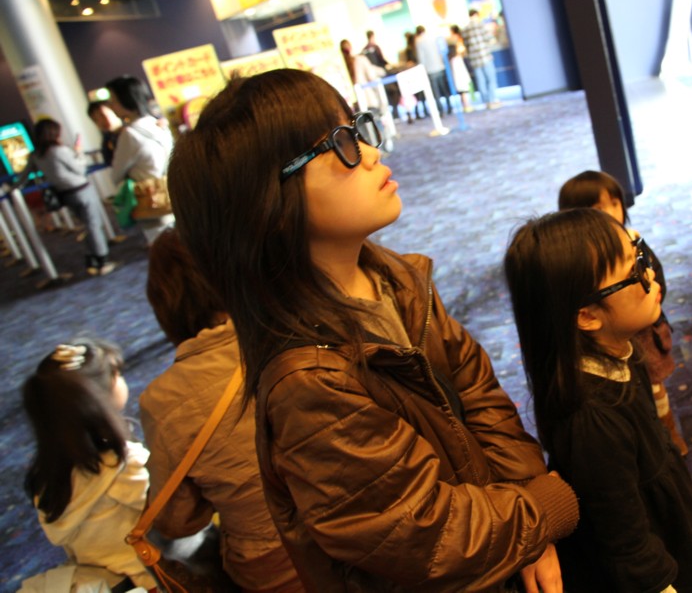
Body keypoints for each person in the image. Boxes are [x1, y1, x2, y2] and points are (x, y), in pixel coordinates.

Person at [165, 68, 579, 591]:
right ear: (268, 203)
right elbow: (424, 532)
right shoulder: (308, 383)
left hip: (498, 544)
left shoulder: (397, 277)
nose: (369, 151)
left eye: (358, 127)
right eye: (339, 143)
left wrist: (526, 511)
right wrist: (545, 508)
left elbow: (478, 391)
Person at [504, 208, 692, 593]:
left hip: (661, 518)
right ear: (587, 317)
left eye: (641, 255)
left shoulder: (623, 350)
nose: (650, 273)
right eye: (634, 272)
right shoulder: (592, 420)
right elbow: (626, 545)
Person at [140, 229, 302, 592]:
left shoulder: (165, 400)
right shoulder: (313, 327)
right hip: (372, 534)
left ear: (166, 304)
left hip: (278, 570)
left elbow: (176, 522)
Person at [558, 170, 688, 455]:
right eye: (597, 208)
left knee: (655, 388)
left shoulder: (633, 240)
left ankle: (669, 433)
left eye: (615, 203)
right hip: (616, 339)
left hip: (645, 335)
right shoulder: (583, 264)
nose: (610, 213)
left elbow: (656, 275)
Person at [22, 338, 157, 591]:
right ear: (96, 397)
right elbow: (172, 512)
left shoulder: (46, 477)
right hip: (153, 577)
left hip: (104, 581)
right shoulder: (122, 466)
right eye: (116, 374)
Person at [24, 118, 117, 276]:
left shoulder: (36, 155)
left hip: (64, 194)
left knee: (89, 225)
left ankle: (93, 259)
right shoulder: (59, 150)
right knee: (94, 225)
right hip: (81, 190)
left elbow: (24, 176)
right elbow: (80, 169)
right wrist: (78, 153)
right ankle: (102, 261)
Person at [105, 75, 175, 246]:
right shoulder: (158, 124)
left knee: (162, 246)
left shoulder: (130, 134)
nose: (111, 106)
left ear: (126, 99)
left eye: (113, 100)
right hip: (172, 191)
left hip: (151, 200)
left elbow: (116, 175)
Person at [462, 9, 501, 109]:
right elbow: (490, 39)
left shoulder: (465, 29)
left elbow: (466, 45)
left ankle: (486, 101)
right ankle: (492, 100)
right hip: (485, 56)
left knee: (481, 81)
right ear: (476, 15)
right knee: (491, 79)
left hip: (474, 59)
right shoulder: (481, 26)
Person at [415, 25, 455, 115]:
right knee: (444, 88)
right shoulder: (433, 37)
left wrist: (422, 69)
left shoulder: (419, 41)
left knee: (435, 91)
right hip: (440, 66)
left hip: (430, 69)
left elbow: (421, 58)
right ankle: (449, 106)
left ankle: (441, 110)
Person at [361, 30, 401, 119]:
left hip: (374, 78)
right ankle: (394, 112)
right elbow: (381, 60)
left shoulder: (364, 51)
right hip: (381, 75)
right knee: (393, 91)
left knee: (382, 96)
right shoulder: (375, 47)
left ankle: (388, 115)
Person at [86, 100, 122, 167]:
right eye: (96, 120)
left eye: (102, 115)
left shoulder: (131, 129)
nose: (101, 121)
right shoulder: (106, 142)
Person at [448, 25, 475, 112]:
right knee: (464, 85)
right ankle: (467, 104)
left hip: (459, 64)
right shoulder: (458, 40)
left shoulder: (453, 40)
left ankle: (466, 104)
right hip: (460, 64)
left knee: (463, 85)